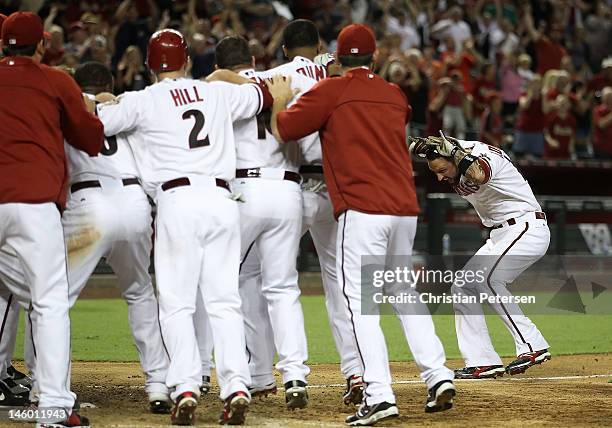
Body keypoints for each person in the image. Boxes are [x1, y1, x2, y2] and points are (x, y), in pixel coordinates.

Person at [267, 23, 456, 426]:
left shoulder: (330, 91)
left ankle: (379, 394)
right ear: (374, 57)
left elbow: (284, 128)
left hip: (362, 208)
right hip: (404, 208)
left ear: (336, 55)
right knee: (404, 294)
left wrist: (282, 101)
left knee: (359, 303)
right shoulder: (395, 94)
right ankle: (438, 374)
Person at [94, 29, 281, 425]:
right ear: (186, 61)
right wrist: (219, 78)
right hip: (222, 201)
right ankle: (236, 386)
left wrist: (106, 99)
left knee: (177, 304)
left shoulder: (142, 101)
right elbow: (263, 93)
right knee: (224, 301)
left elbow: (96, 121)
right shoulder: (216, 93)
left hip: (177, 202)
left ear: (149, 66)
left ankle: (185, 385)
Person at [0, 11, 103, 427]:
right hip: (34, 204)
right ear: (40, 45)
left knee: (10, 293)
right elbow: (91, 138)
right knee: (50, 303)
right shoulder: (55, 80)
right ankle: (55, 409)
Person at [213, 34, 311, 410]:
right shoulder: (279, 80)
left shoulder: (222, 89)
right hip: (288, 189)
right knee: (282, 287)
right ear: (253, 57)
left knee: (224, 282)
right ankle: (293, 375)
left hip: (243, 190)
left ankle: (234, 376)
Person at [410, 133, 551, 379]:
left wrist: (455, 153)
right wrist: (420, 146)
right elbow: (445, 145)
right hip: (500, 234)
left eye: (442, 169)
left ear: (454, 156)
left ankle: (532, 346)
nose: (440, 177)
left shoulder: (484, 156)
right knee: (463, 286)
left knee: (487, 279)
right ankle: (482, 361)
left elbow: (479, 174)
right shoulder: (454, 152)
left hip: (526, 228)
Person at [592, 86, 612, 159]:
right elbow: (601, 124)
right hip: (602, 150)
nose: (609, 99)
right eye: (607, 96)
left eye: (610, 96)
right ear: (602, 97)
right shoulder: (597, 110)